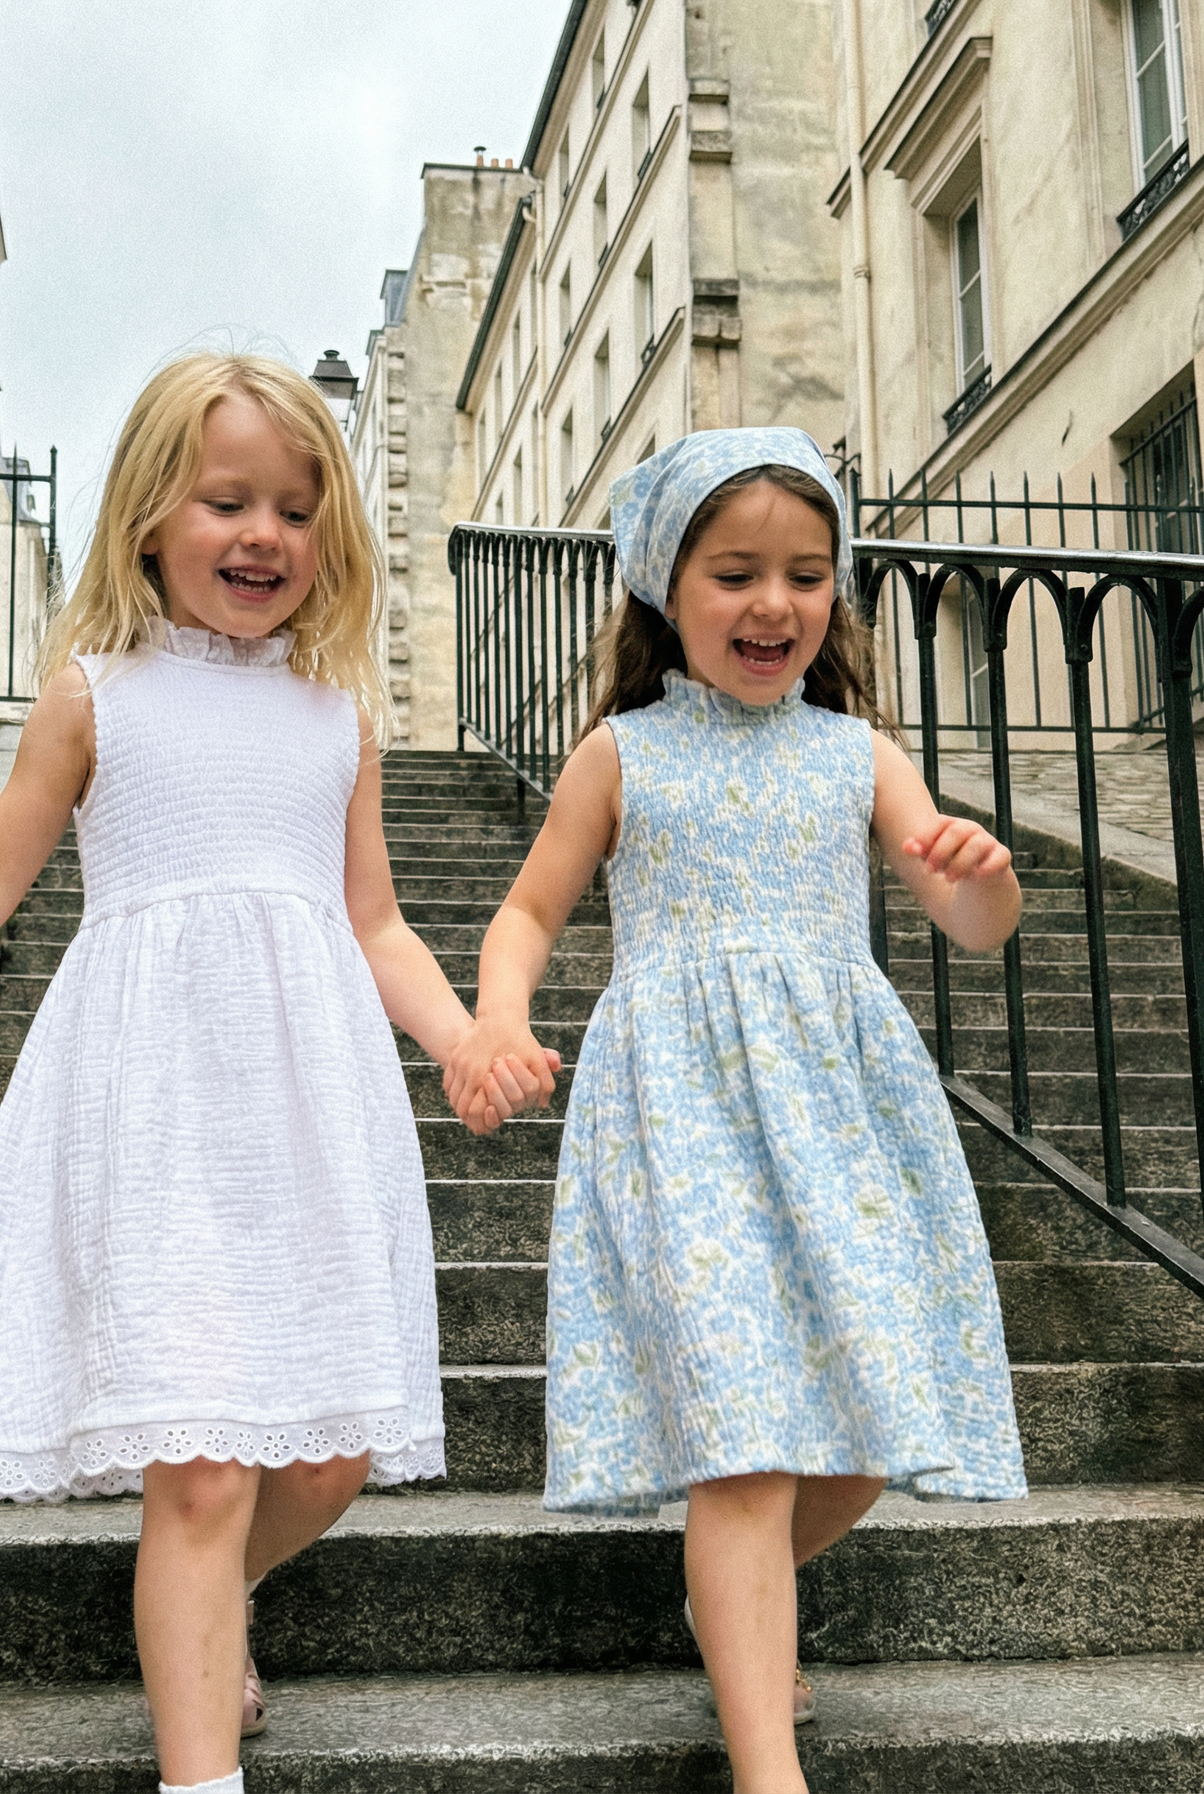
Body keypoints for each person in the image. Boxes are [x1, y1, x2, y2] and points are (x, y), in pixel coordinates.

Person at [0, 353, 504, 1794]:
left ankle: (210, 1601)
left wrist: (464, 1035)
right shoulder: (95, 695)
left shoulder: (338, 715)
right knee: (207, 1470)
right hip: (158, 1107)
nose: (265, 534)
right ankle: (199, 1766)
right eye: (228, 501)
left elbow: (374, 921)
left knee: (330, 1458)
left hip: (306, 1116)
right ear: (148, 517)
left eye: (298, 509)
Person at [443, 429, 1027, 1794]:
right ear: (666, 587)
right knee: (745, 1447)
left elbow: (969, 920)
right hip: (682, 1121)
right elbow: (526, 912)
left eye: (807, 575)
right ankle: (769, 1766)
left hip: (837, 1118)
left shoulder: (857, 753)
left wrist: (984, 875)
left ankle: (732, 1600)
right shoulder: (621, 754)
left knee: (865, 1440)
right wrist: (498, 1018)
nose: (775, 603)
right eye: (736, 574)